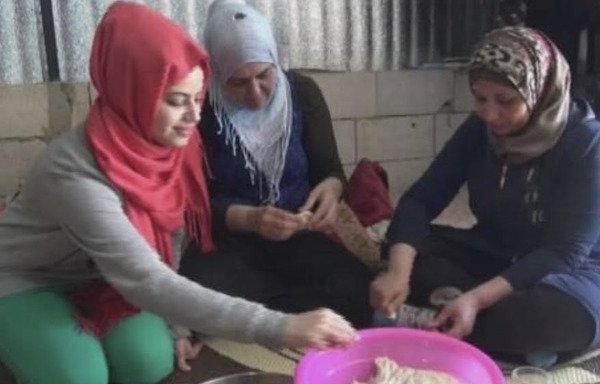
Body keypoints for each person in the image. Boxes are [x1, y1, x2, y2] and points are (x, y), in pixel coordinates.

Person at [0, 3, 357, 384]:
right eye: (175, 100)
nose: (194, 116)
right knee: (80, 374)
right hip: (28, 278)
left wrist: (176, 325)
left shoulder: (171, 148)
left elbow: (170, 237)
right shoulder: (73, 172)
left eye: (197, 98)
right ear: (131, 92)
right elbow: (145, 276)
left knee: (148, 361)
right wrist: (281, 328)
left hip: (102, 278)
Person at [371, 26, 600, 365]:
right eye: (480, 98)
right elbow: (420, 200)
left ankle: (448, 321)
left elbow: (564, 252)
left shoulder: (587, 145)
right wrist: (398, 273)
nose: (490, 114)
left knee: (544, 318)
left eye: (506, 101)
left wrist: (476, 299)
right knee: (405, 251)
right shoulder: (481, 130)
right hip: (497, 252)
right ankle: (496, 339)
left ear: (540, 93)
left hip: (571, 273)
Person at [180, 0, 373, 328]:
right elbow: (192, 207)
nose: (255, 94)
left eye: (263, 75)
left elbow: (331, 171)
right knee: (193, 294)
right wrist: (250, 219)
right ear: (217, 73)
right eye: (237, 83)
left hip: (297, 236)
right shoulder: (200, 109)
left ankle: (259, 313)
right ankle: (285, 310)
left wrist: (330, 191)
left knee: (358, 289)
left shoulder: (302, 93)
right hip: (231, 243)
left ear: (274, 60)